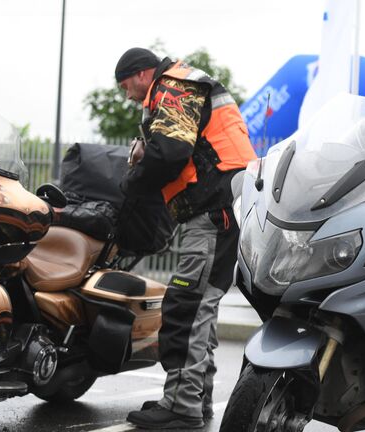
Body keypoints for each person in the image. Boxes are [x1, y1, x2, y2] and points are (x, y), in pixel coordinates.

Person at [114, 47, 257, 429]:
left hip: (213, 210)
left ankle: (181, 406)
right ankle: (195, 398)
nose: (126, 94)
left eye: (126, 85)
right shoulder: (183, 85)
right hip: (219, 208)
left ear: (142, 74)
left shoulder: (174, 86)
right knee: (199, 308)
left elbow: (170, 153)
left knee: (185, 306)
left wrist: (132, 180)